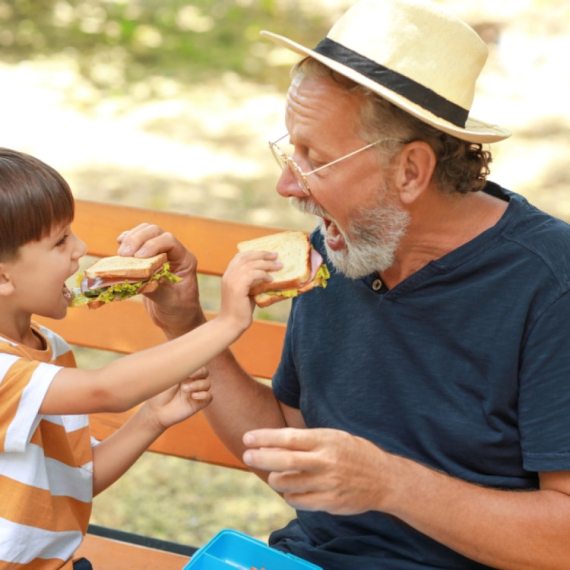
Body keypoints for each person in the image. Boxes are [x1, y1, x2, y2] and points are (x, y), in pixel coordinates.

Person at [117, 0, 570, 568]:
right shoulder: (334, 251)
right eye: (289, 148)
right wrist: (185, 323)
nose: (286, 184)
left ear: (410, 171)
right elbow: (288, 446)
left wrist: (391, 484)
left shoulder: (551, 285)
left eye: (313, 158)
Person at [0, 148, 281, 569]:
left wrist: (151, 418)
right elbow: (105, 389)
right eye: (60, 241)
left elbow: (75, 482)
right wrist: (225, 324)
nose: (81, 248)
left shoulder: (49, 347)